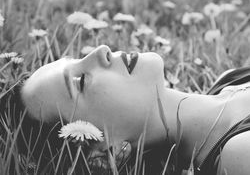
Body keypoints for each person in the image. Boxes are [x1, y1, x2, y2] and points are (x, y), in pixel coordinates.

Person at [19, 45, 250, 175]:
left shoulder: (230, 80)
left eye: (79, 57)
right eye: (80, 81)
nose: (101, 51)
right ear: (105, 148)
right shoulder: (239, 155)